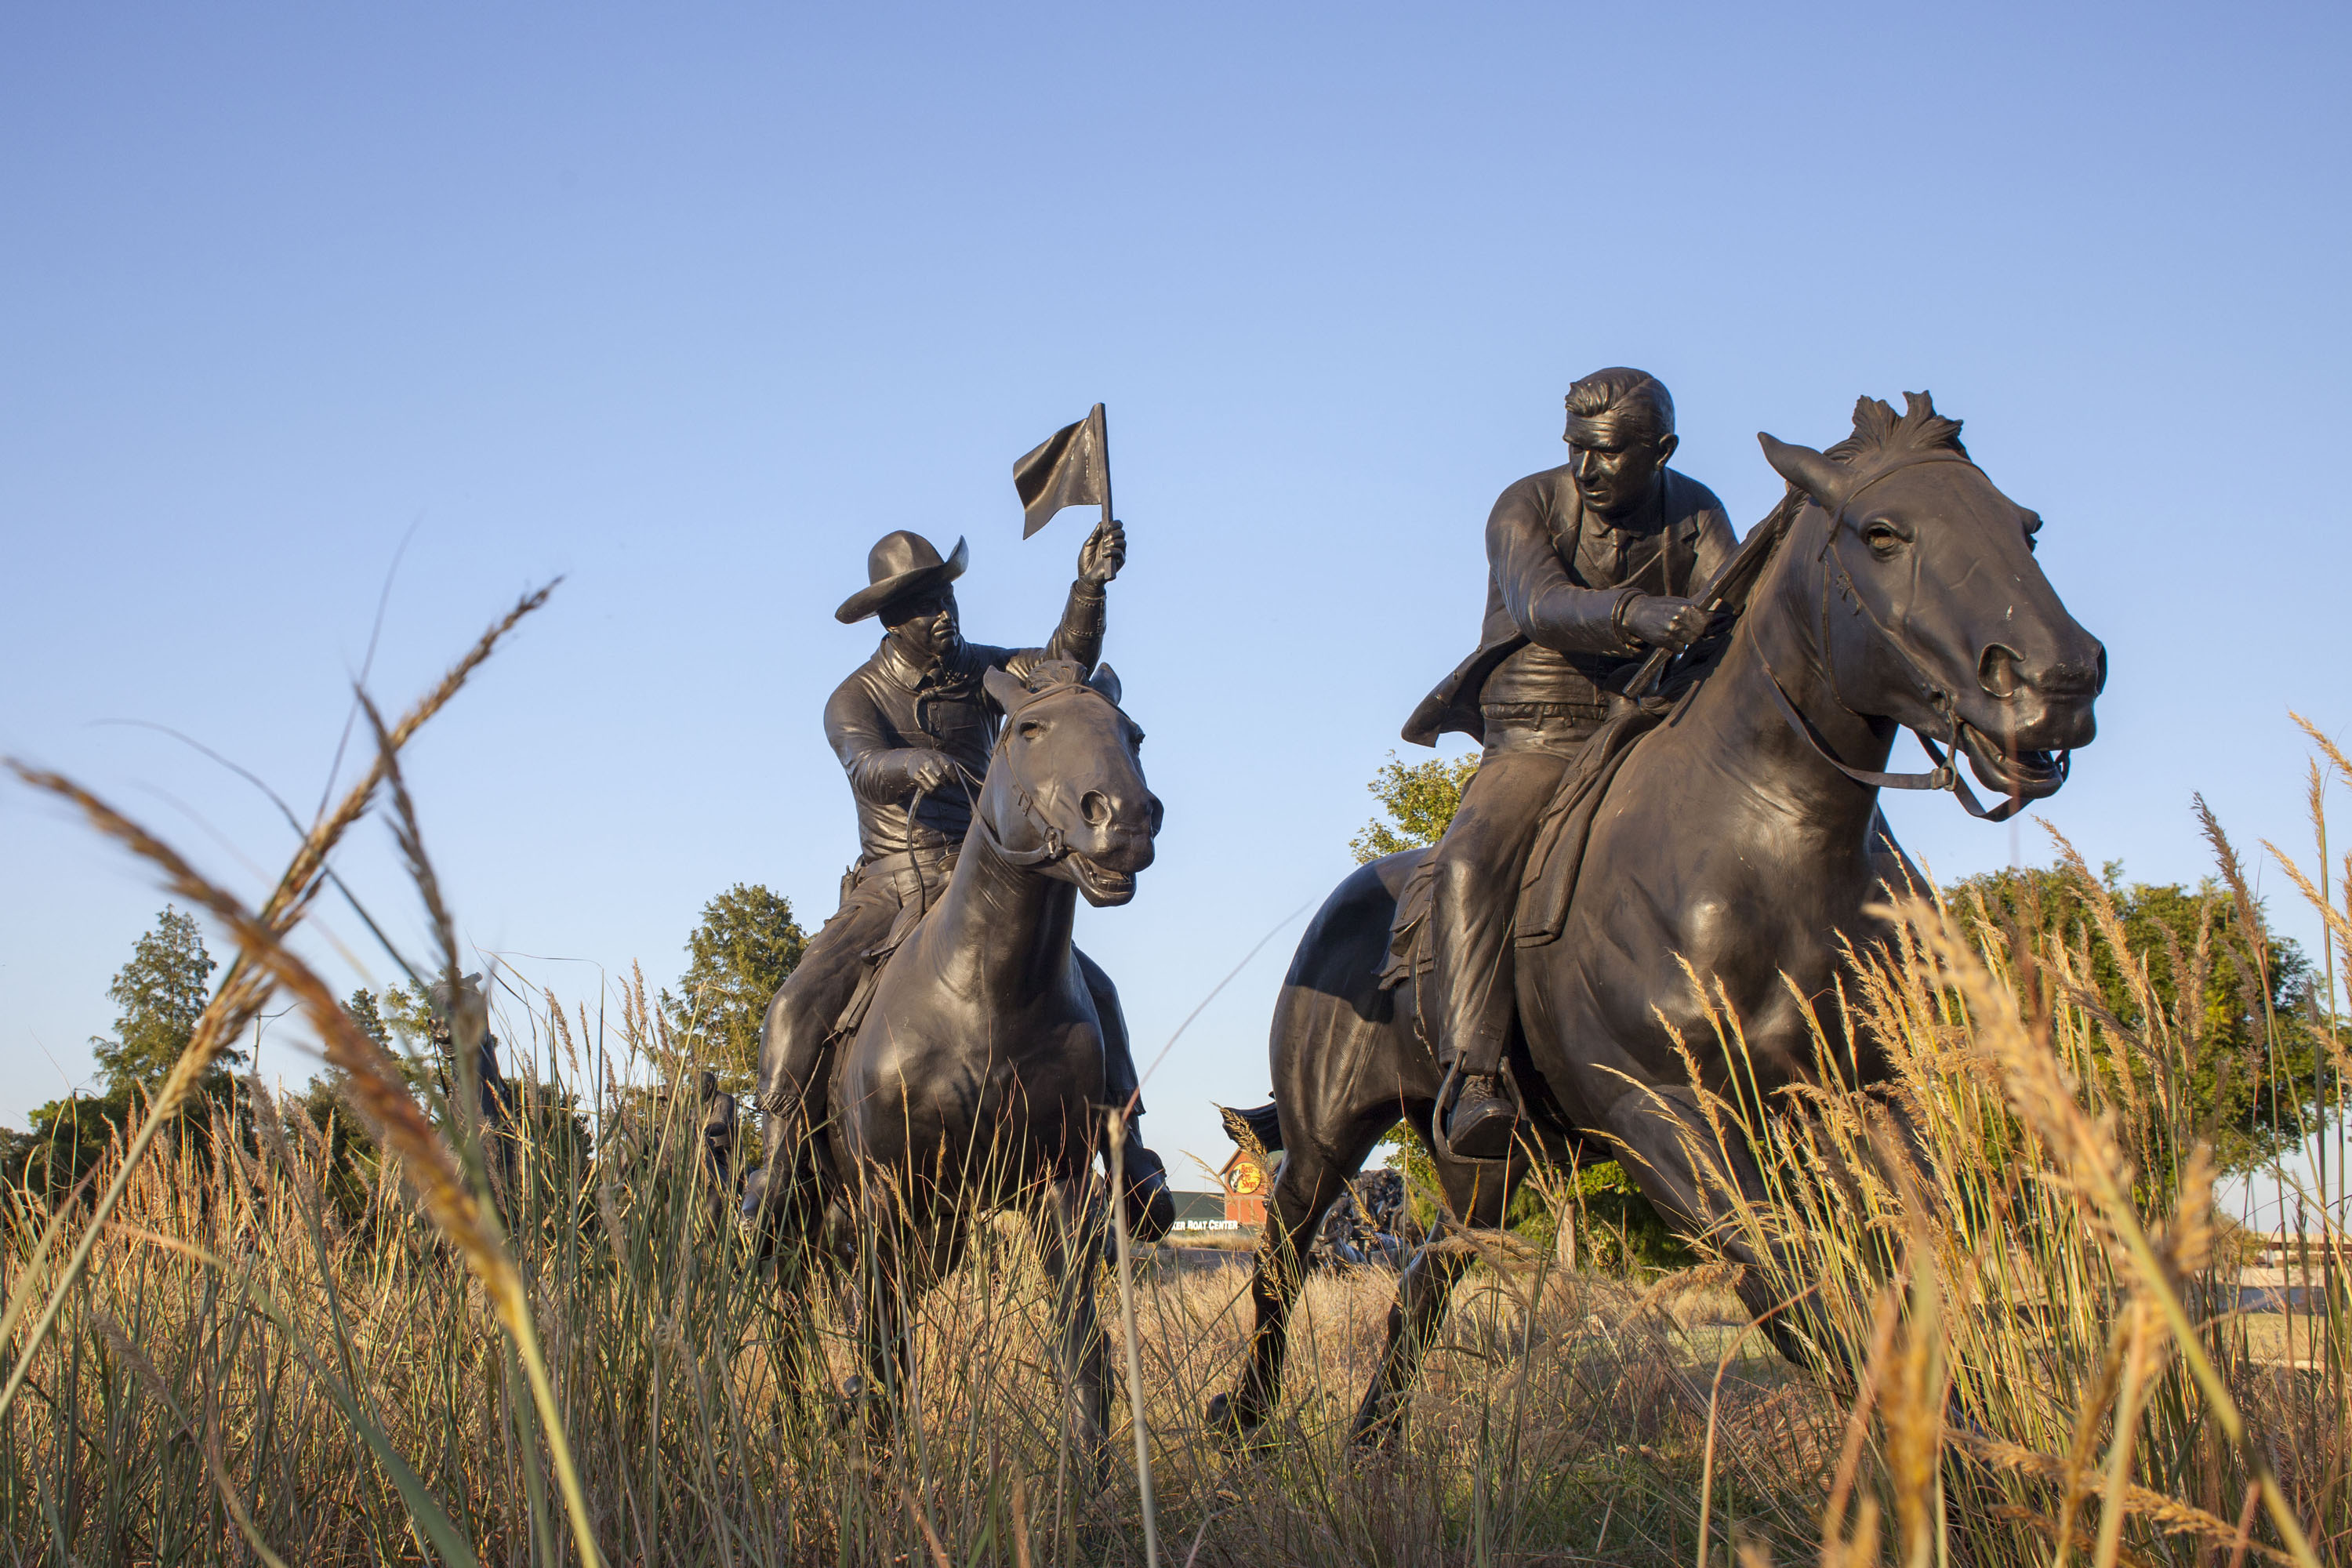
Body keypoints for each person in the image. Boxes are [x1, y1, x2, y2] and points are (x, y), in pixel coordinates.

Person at [755, 521, 1174, 1236]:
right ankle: (780, 1170)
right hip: (892, 884)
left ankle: (1129, 1155)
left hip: (976, 877)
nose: (943, 616)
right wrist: (904, 764)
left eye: (946, 598)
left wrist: (1088, 589)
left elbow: (1061, 669)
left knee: (1095, 991)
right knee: (797, 1005)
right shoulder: (854, 698)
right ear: (892, 622)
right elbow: (862, 764)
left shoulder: (984, 673)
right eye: (925, 606)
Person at [1404, 368, 1737, 1160]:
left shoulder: (1697, 511)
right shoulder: (1527, 504)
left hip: (1653, 726)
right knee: (1468, 862)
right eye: (1575, 448)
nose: (1586, 470)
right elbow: (1540, 605)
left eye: (1609, 453)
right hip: (1540, 729)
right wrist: (1643, 612)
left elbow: (1733, 605)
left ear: (1661, 452)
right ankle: (1476, 1075)